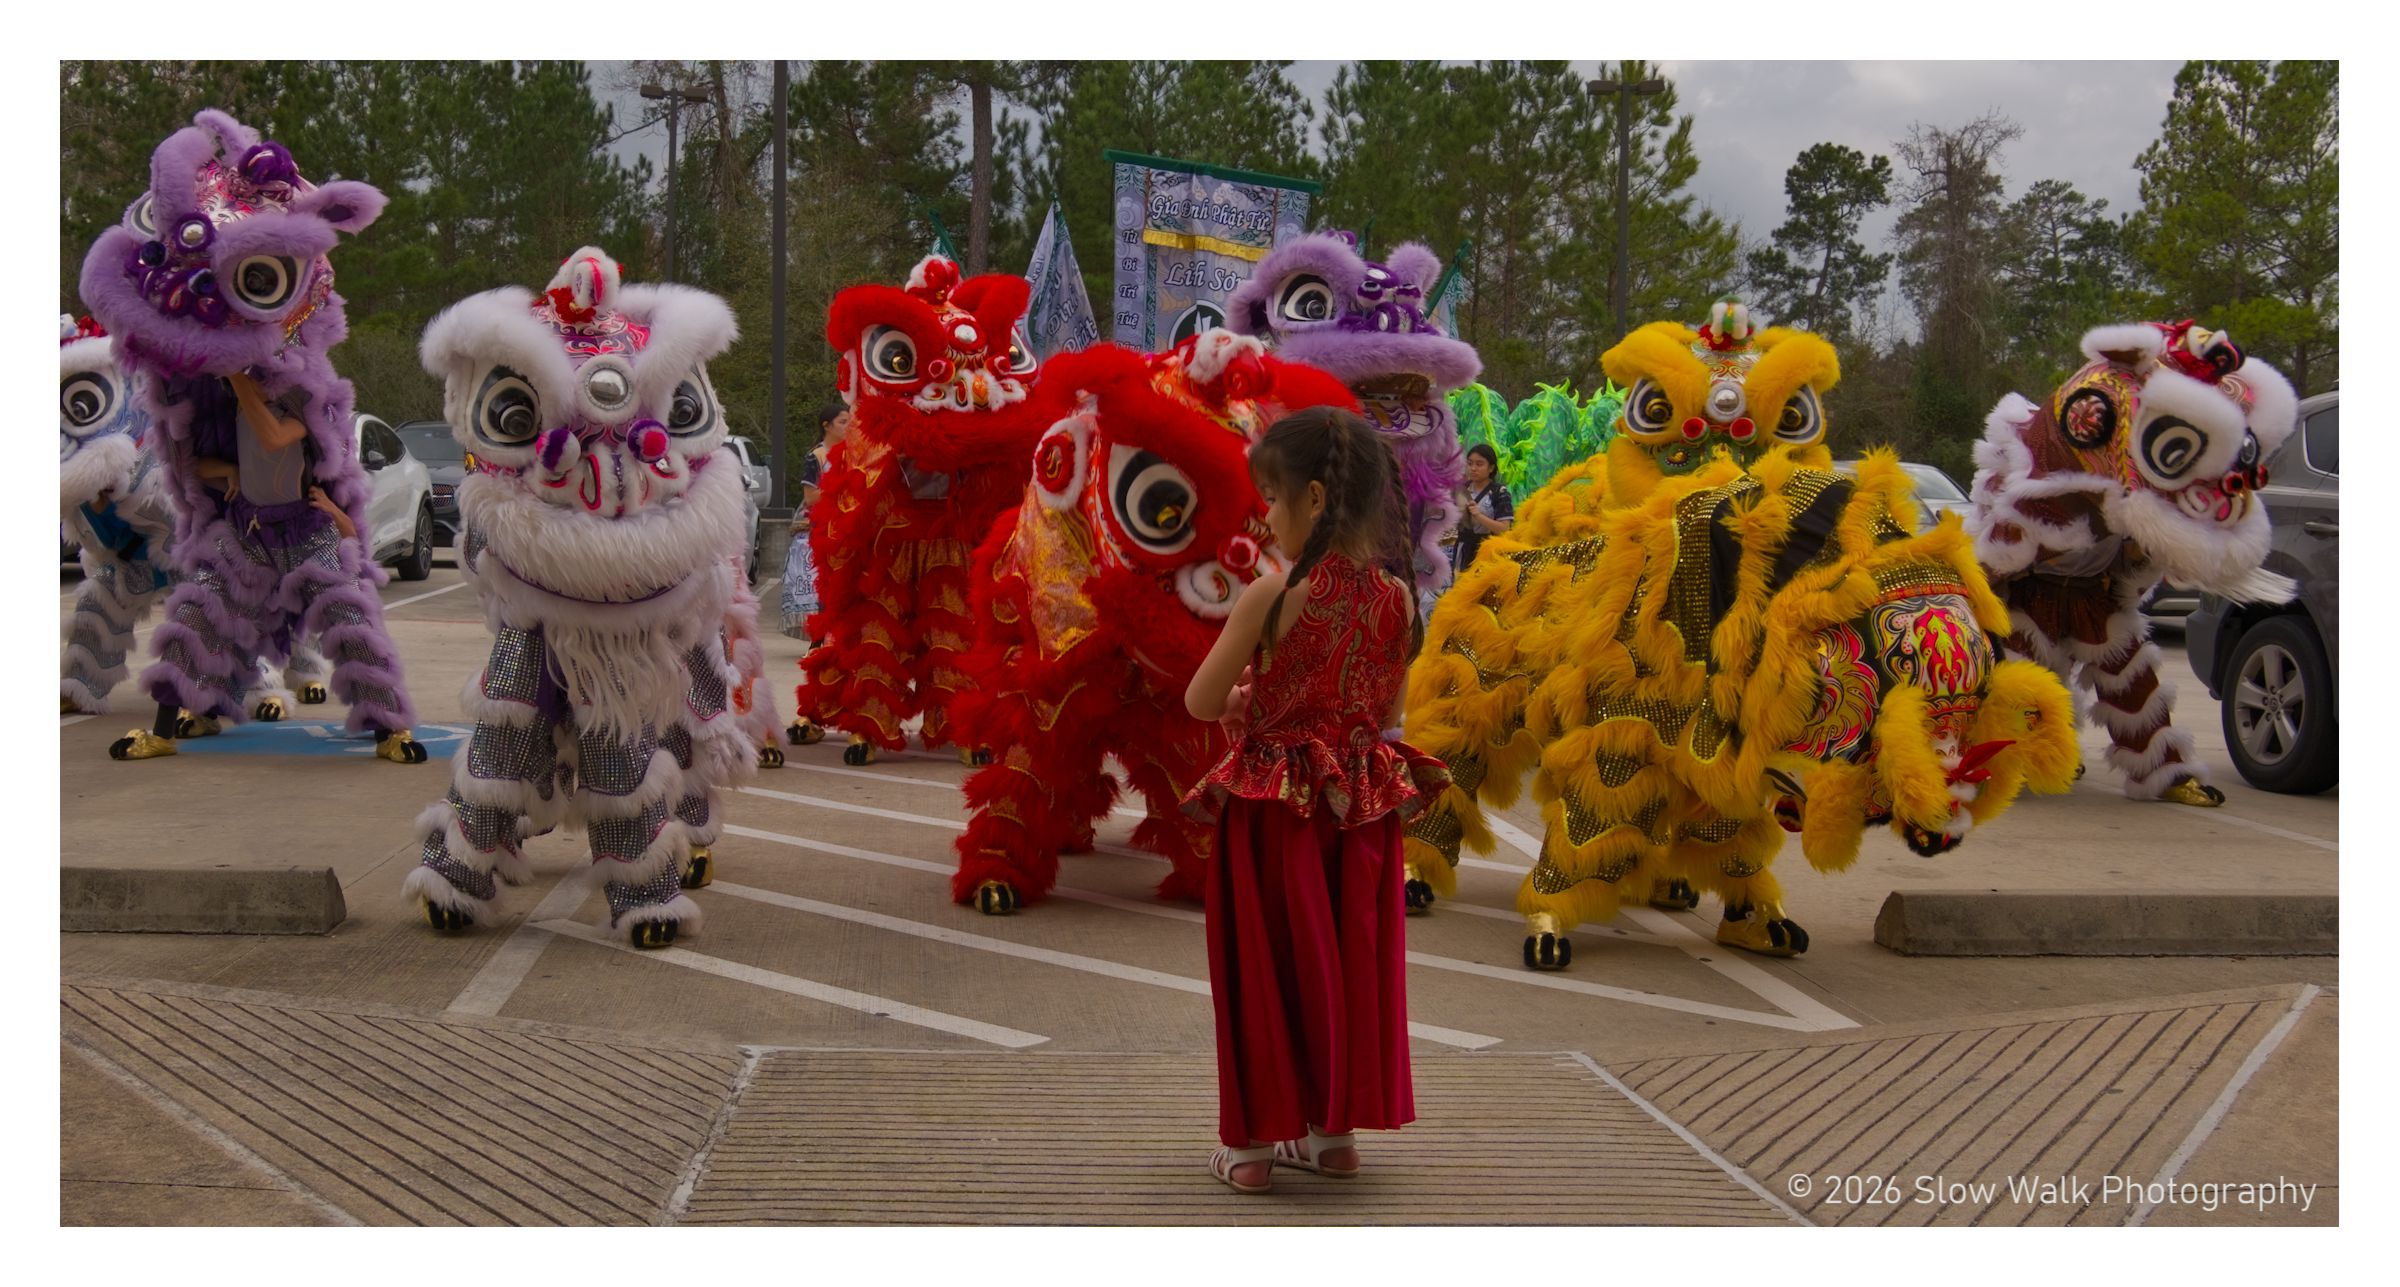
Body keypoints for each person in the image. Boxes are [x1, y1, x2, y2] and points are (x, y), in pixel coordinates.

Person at [1182, 406, 1450, 1195]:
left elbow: (1201, 700)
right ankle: (1334, 1136)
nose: (1266, 516)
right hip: (1358, 814)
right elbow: (1386, 711)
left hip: (1274, 813)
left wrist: (1245, 701)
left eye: (1272, 497)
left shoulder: (1272, 593)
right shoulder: (1398, 598)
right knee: (1344, 968)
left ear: (1316, 497)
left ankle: (1253, 1148)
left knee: (1262, 969)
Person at [780, 399, 844, 641]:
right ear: (827, 426)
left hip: (846, 526)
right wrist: (842, 487)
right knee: (824, 586)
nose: (848, 426)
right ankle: (822, 636)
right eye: (843, 422)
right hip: (821, 528)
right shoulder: (816, 456)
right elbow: (810, 497)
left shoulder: (853, 453)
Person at [1450, 441, 1514, 572]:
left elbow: (1504, 528)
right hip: (1462, 550)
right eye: (1470, 463)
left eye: (1479, 464)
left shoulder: (1499, 492)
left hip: (1487, 552)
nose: (1473, 468)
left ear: (1491, 468)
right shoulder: (1461, 490)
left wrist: (1478, 515)